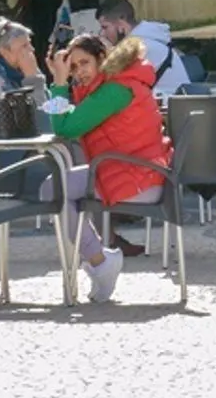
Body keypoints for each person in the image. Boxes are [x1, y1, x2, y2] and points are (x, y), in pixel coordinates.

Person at [37, 34, 171, 303]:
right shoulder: (110, 86)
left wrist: (60, 82)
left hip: (137, 179)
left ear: (103, 59)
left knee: (52, 190)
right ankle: (100, 260)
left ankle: (100, 261)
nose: (79, 72)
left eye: (84, 63)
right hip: (134, 173)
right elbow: (61, 119)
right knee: (54, 189)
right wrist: (58, 82)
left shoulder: (115, 90)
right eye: (72, 67)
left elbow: (64, 128)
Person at [95, 0, 190, 98]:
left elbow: (111, 83)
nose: (102, 34)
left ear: (121, 21)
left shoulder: (140, 47)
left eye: (105, 27)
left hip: (167, 108)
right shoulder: (151, 39)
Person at [0, 17, 46, 118]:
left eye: (30, 43)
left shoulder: (23, 67)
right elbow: (39, 121)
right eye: (24, 46)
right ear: (4, 51)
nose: (32, 49)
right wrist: (33, 80)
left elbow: (52, 109)